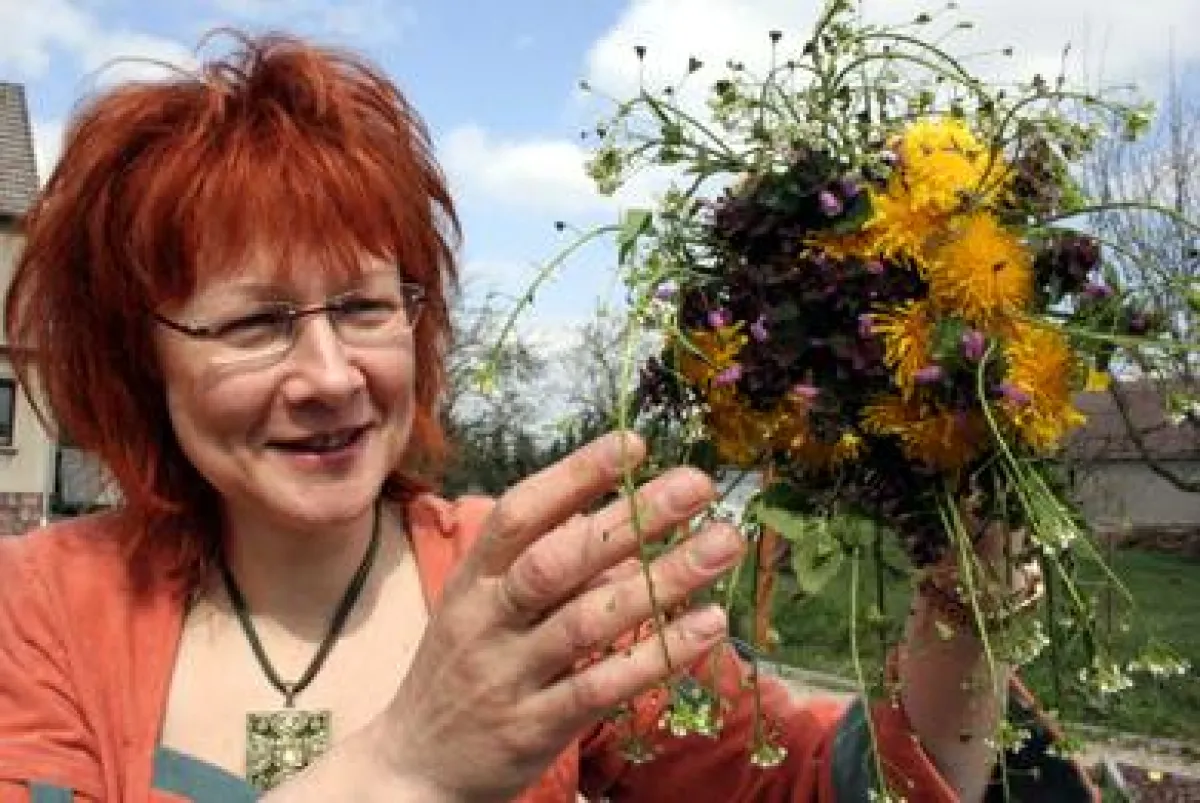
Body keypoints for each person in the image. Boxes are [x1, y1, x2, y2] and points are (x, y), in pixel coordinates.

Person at [0, 33, 1096, 803]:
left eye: (363, 305)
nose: (331, 372)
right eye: (257, 323)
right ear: (142, 356)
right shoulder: (39, 611)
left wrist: (969, 598)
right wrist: (409, 767)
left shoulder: (537, 585)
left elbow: (824, 791)